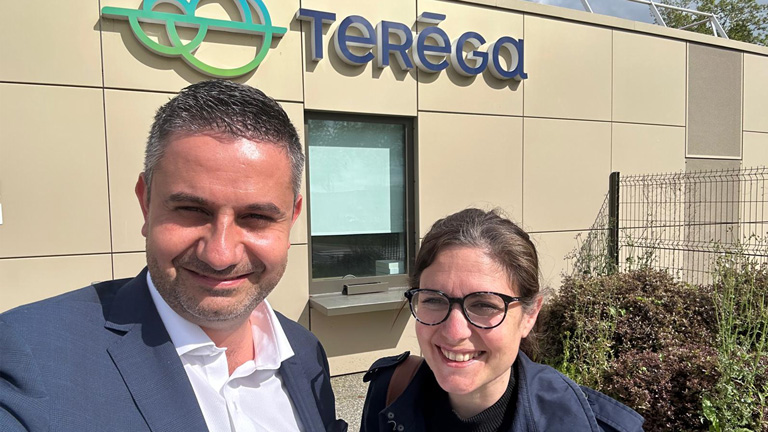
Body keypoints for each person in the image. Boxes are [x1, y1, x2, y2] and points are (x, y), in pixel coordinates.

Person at [0, 80, 347, 432]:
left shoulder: (305, 353)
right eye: (191, 210)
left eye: (256, 217)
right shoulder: (32, 355)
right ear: (146, 202)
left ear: (292, 218)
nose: (220, 255)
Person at [361, 208, 644, 432]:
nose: (454, 331)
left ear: (529, 315)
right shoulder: (389, 394)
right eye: (434, 300)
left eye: (484, 305)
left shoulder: (591, 425)